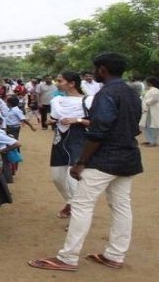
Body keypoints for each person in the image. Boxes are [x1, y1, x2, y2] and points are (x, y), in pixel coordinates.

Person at [29, 52, 143, 272]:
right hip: (128, 157)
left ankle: (68, 258)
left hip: (105, 159)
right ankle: (115, 255)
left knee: (82, 205)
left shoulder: (105, 94)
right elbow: (134, 126)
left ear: (102, 70)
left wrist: (82, 162)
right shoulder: (131, 93)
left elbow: (98, 131)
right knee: (121, 206)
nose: (93, 73)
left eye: (95, 69)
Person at [46, 71, 94, 219]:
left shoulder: (88, 101)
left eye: (60, 81)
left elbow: (97, 123)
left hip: (78, 141)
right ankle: (70, 202)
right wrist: (51, 121)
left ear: (72, 83)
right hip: (59, 141)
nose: (57, 83)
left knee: (73, 179)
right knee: (57, 178)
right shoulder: (57, 100)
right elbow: (53, 118)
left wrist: (77, 120)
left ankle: (77, 215)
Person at [140, 76, 159, 147]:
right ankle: (150, 140)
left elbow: (154, 99)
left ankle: (152, 142)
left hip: (152, 110)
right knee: (147, 126)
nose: (145, 84)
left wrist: (146, 102)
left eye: (146, 82)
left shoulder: (155, 90)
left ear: (150, 83)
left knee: (152, 126)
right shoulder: (151, 90)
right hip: (149, 110)